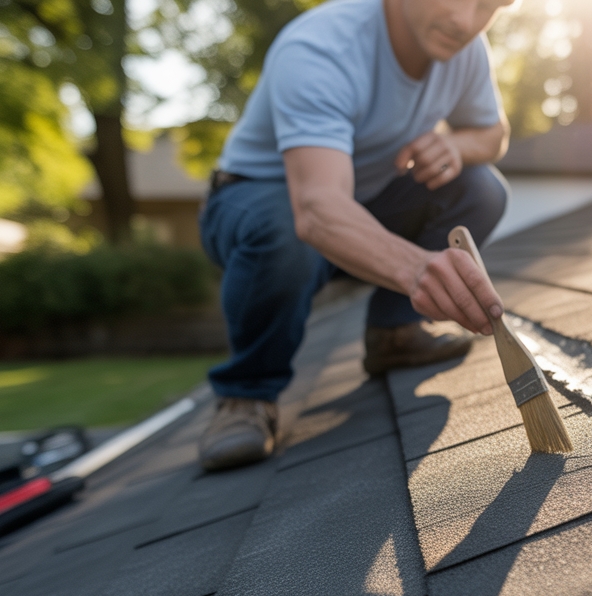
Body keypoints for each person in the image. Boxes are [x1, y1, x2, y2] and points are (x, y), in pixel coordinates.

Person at [197, 0, 515, 471]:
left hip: (362, 196)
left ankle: (393, 335)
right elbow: (317, 208)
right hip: (258, 198)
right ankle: (245, 394)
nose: (465, 21)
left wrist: (455, 144)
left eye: (488, 5)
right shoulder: (321, 48)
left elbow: (493, 133)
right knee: (286, 232)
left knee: (481, 189)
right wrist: (416, 268)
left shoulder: (465, 50)